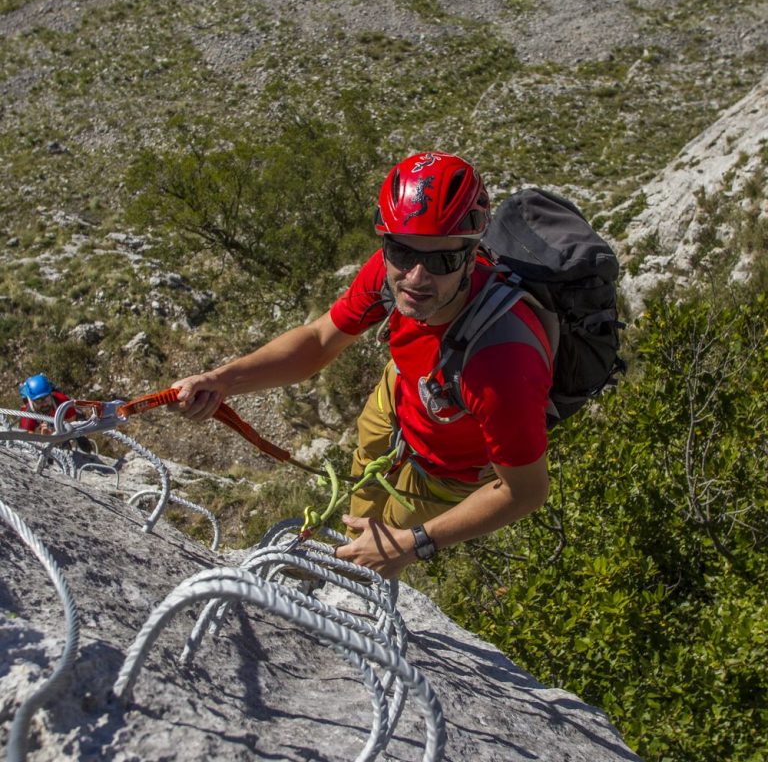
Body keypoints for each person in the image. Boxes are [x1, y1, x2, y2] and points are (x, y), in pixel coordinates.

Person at [172, 151, 553, 579]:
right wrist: (221, 381)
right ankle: (348, 542)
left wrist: (412, 545)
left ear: (471, 255)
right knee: (360, 512)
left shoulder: (502, 361)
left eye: (442, 260)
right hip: (400, 401)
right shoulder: (391, 273)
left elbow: (524, 492)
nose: (416, 278)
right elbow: (318, 342)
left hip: (445, 470)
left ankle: (349, 577)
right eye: (401, 253)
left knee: (369, 565)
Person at [18, 373, 95, 453]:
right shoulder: (27, 415)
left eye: (46, 399)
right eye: (39, 401)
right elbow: (28, 440)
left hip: (63, 422)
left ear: (50, 395)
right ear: (31, 401)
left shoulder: (62, 401)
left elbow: (72, 422)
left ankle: (84, 445)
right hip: (43, 428)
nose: (44, 404)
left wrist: (56, 433)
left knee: (79, 434)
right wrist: (43, 438)